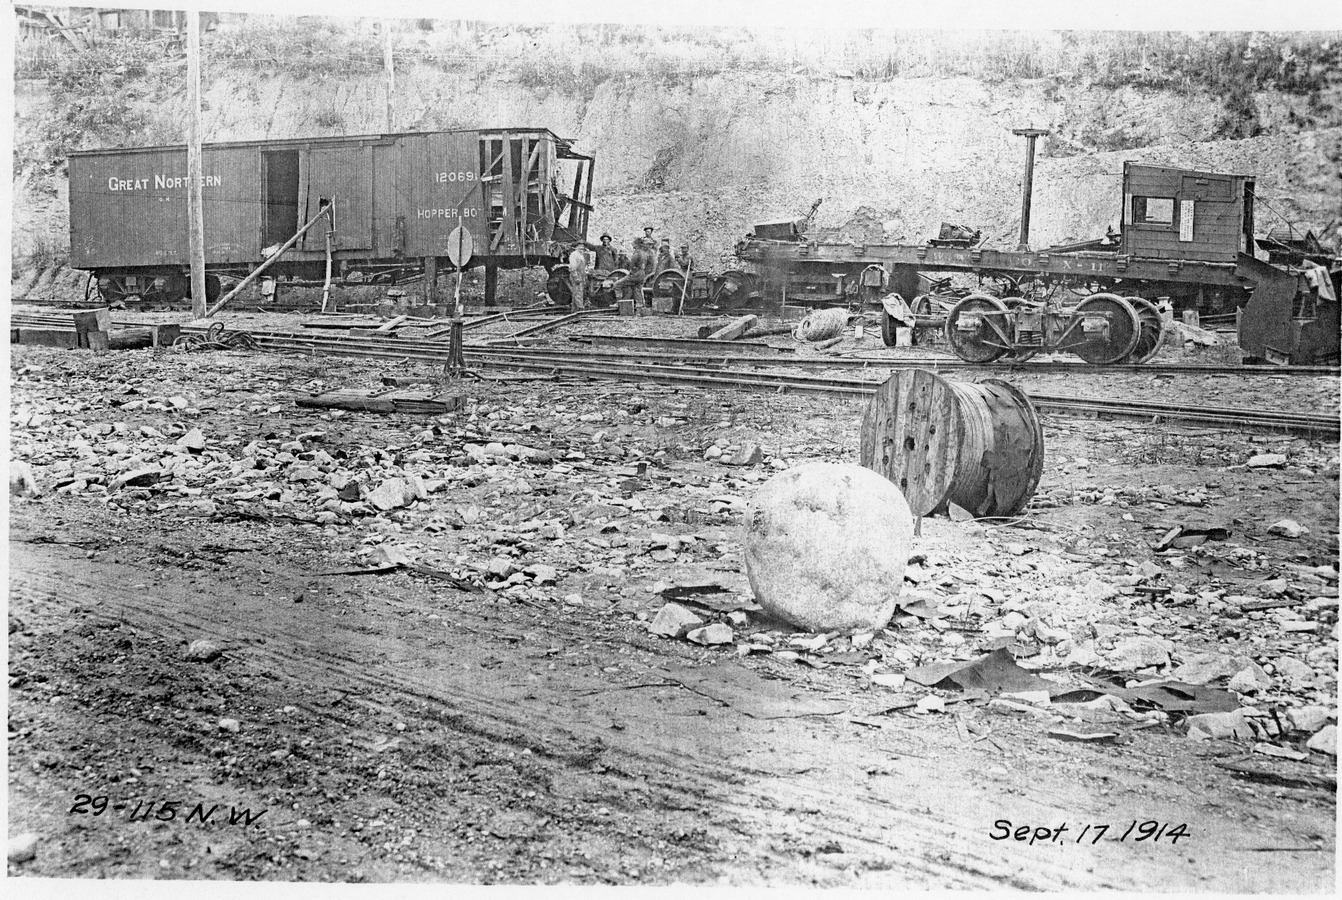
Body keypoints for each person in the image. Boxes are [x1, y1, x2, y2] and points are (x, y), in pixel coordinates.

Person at [567, 243, 589, 310]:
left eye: (583, 248)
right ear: (576, 247)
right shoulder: (574, 255)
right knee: (578, 291)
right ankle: (580, 307)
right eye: (580, 248)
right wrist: (576, 277)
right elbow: (573, 267)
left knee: (578, 291)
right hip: (576, 274)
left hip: (581, 274)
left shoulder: (581, 255)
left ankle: (575, 309)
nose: (582, 249)